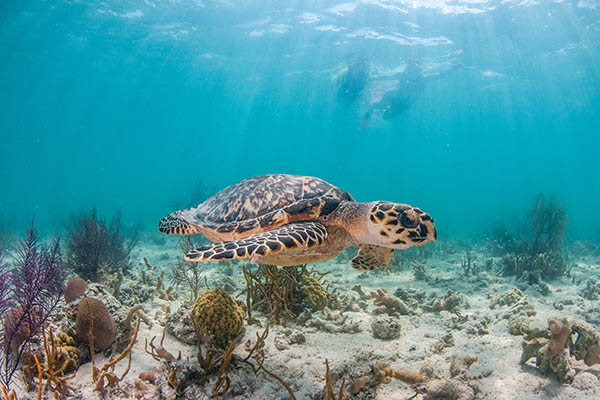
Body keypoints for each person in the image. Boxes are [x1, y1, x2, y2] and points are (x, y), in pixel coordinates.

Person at [361, 60, 462, 126]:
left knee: (386, 117)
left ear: (419, 71)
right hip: (395, 97)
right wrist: (372, 78)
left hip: (405, 105)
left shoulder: (424, 79)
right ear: (406, 70)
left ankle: (377, 113)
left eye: (415, 70)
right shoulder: (402, 75)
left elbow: (440, 74)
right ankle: (369, 112)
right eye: (409, 70)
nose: (412, 74)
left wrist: (455, 68)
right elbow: (386, 77)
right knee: (386, 98)